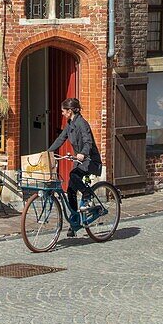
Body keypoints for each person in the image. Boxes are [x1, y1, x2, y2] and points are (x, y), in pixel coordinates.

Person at [49, 97, 103, 233]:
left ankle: (87, 195)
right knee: (71, 191)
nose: (62, 113)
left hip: (90, 160)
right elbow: (61, 138)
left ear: (70, 111)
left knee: (73, 175)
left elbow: (88, 142)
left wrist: (83, 154)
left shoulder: (82, 124)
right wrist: (47, 152)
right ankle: (74, 223)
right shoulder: (70, 124)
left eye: (63, 111)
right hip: (80, 161)